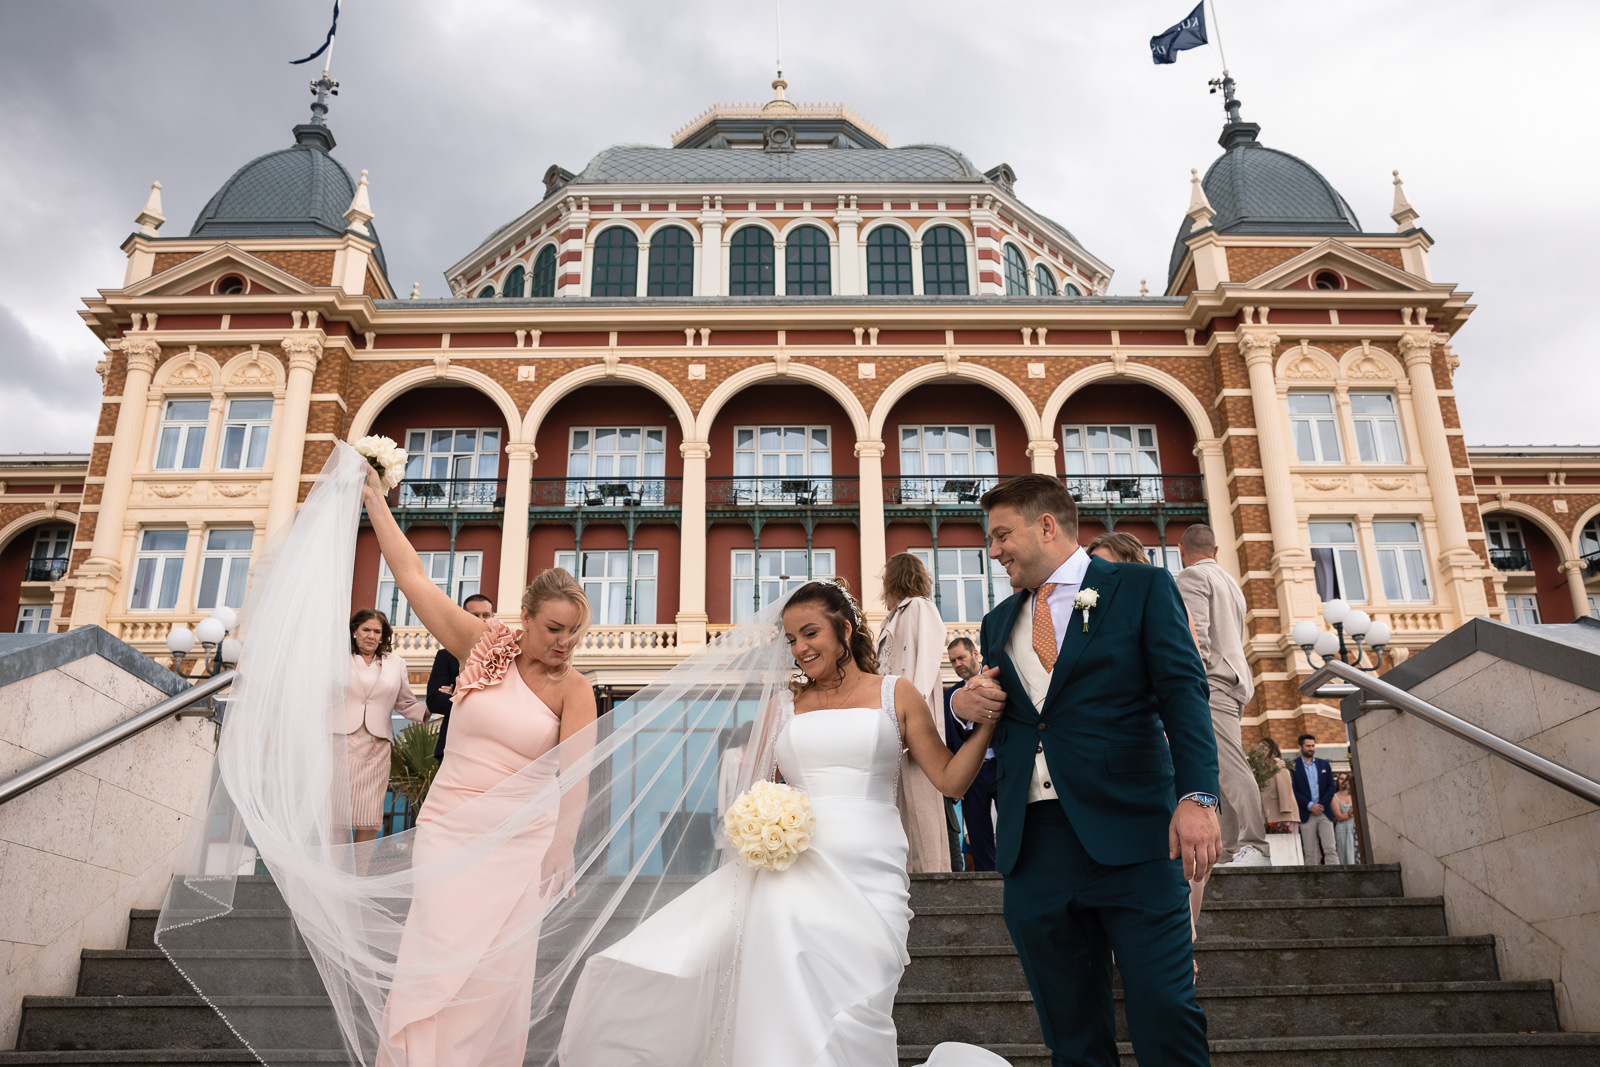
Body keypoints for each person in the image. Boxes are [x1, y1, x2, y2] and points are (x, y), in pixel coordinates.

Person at [558, 579, 1008, 1066]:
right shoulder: (785, 707)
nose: (799, 649)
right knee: (783, 1006)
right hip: (791, 874)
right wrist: (755, 824)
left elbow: (951, 781)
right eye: (791, 640)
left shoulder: (894, 694)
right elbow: (755, 793)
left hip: (872, 874)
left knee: (862, 1004)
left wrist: (986, 726)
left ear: (845, 629)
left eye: (810, 633)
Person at [953, 474, 1221, 1067]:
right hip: (1035, 847)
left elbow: (1183, 693)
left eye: (1001, 535)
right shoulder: (998, 623)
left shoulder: (1143, 587)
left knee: (1165, 1012)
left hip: (1136, 837)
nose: (993, 551)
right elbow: (1009, 710)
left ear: (1046, 525)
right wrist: (961, 703)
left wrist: (1198, 795)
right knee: (1070, 1031)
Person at [362, 465, 598, 1066]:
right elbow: (413, 578)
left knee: (496, 973)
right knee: (435, 953)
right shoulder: (482, 645)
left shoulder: (576, 690)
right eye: (552, 628)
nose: (562, 643)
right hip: (449, 825)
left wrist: (562, 844)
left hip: (521, 838)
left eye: (573, 632)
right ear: (525, 615)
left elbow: (578, 775)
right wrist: (375, 501)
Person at [1174, 524, 1271, 869]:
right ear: (1215, 551)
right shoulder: (1231, 583)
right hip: (1234, 681)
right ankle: (1231, 849)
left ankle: (1255, 844)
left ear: (1181, 551)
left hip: (1211, 681)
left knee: (1230, 766)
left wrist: (1187, 687)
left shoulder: (1189, 578)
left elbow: (1195, 637)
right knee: (1217, 768)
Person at [878, 552, 953, 874]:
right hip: (892, 720)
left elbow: (926, 662)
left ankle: (934, 877)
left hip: (912, 721)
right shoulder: (891, 619)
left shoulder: (920, 608)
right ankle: (906, 876)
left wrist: (913, 714)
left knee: (923, 806)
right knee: (899, 808)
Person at [341, 608, 427, 844]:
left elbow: (406, 703)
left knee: (369, 816)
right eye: (366, 629)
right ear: (354, 631)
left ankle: (358, 878)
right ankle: (333, 876)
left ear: (383, 635)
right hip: (339, 745)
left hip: (376, 747)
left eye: (377, 631)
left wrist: (434, 708)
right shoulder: (338, 658)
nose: (371, 635)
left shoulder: (395, 663)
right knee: (336, 814)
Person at [944, 635, 997, 872]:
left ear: (975, 654)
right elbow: (948, 739)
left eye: (961, 658)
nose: (957, 664)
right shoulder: (949, 697)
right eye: (953, 660)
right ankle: (988, 885)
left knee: (1012, 827)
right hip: (971, 775)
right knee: (977, 833)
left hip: (1000, 766)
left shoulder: (997, 683)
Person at [425, 593, 497, 760]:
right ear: (463, 618)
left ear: (493, 617)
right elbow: (435, 701)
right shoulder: (446, 655)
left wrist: (457, 695)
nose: (481, 620)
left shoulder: (505, 655)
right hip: (453, 746)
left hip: (493, 749)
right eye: (474, 616)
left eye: (486, 615)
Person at [1290, 733, 1340, 865]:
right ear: (1300, 746)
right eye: (1308, 746)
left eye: (1313, 746)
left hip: (1324, 812)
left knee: (1330, 849)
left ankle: (1337, 878)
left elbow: (1331, 787)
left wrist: (1320, 805)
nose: (1311, 748)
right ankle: (1312, 883)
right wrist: (1310, 805)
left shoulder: (1324, 764)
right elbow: (1293, 791)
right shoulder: (1293, 767)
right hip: (1306, 814)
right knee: (1310, 852)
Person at [1332, 772, 1358, 865]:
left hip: (1355, 828)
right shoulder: (1334, 797)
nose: (1343, 781)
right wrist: (1351, 814)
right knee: (1344, 856)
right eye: (1341, 779)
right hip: (1342, 829)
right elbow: (1338, 816)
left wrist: (1353, 812)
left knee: (1356, 856)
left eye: (1346, 779)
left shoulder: (1354, 795)